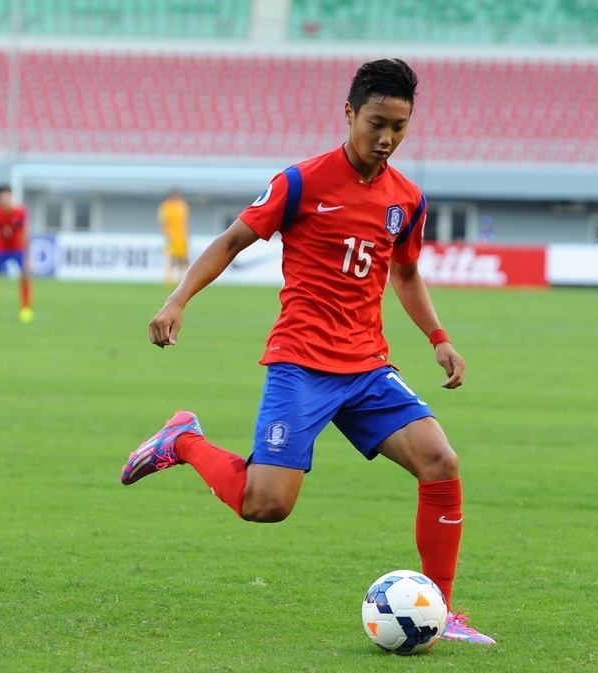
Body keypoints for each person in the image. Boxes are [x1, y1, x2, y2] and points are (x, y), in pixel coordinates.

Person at [121, 59, 494, 645]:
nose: (387, 138)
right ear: (349, 113)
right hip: (301, 364)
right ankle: (183, 440)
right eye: (376, 123)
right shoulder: (300, 183)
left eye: (399, 127)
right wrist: (177, 300)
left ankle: (442, 613)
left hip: (368, 367)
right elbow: (231, 241)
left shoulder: (407, 199)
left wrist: (439, 339)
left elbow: (404, 274)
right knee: (265, 505)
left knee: (440, 462)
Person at [0, 186, 33, 323]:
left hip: (17, 248)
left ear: (11, 198)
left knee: (25, 275)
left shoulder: (20, 212)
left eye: (6, 197)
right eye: (1, 198)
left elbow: (25, 234)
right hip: (0, 248)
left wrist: (27, 258)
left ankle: (25, 309)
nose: (4, 200)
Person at [158, 188, 190, 286]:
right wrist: (166, 234)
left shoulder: (183, 205)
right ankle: (169, 278)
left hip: (182, 236)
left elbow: (185, 222)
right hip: (171, 236)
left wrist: (186, 235)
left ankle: (182, 278)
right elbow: (163, 221)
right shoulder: (165, 206)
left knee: (183, 259)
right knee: (171, 258)